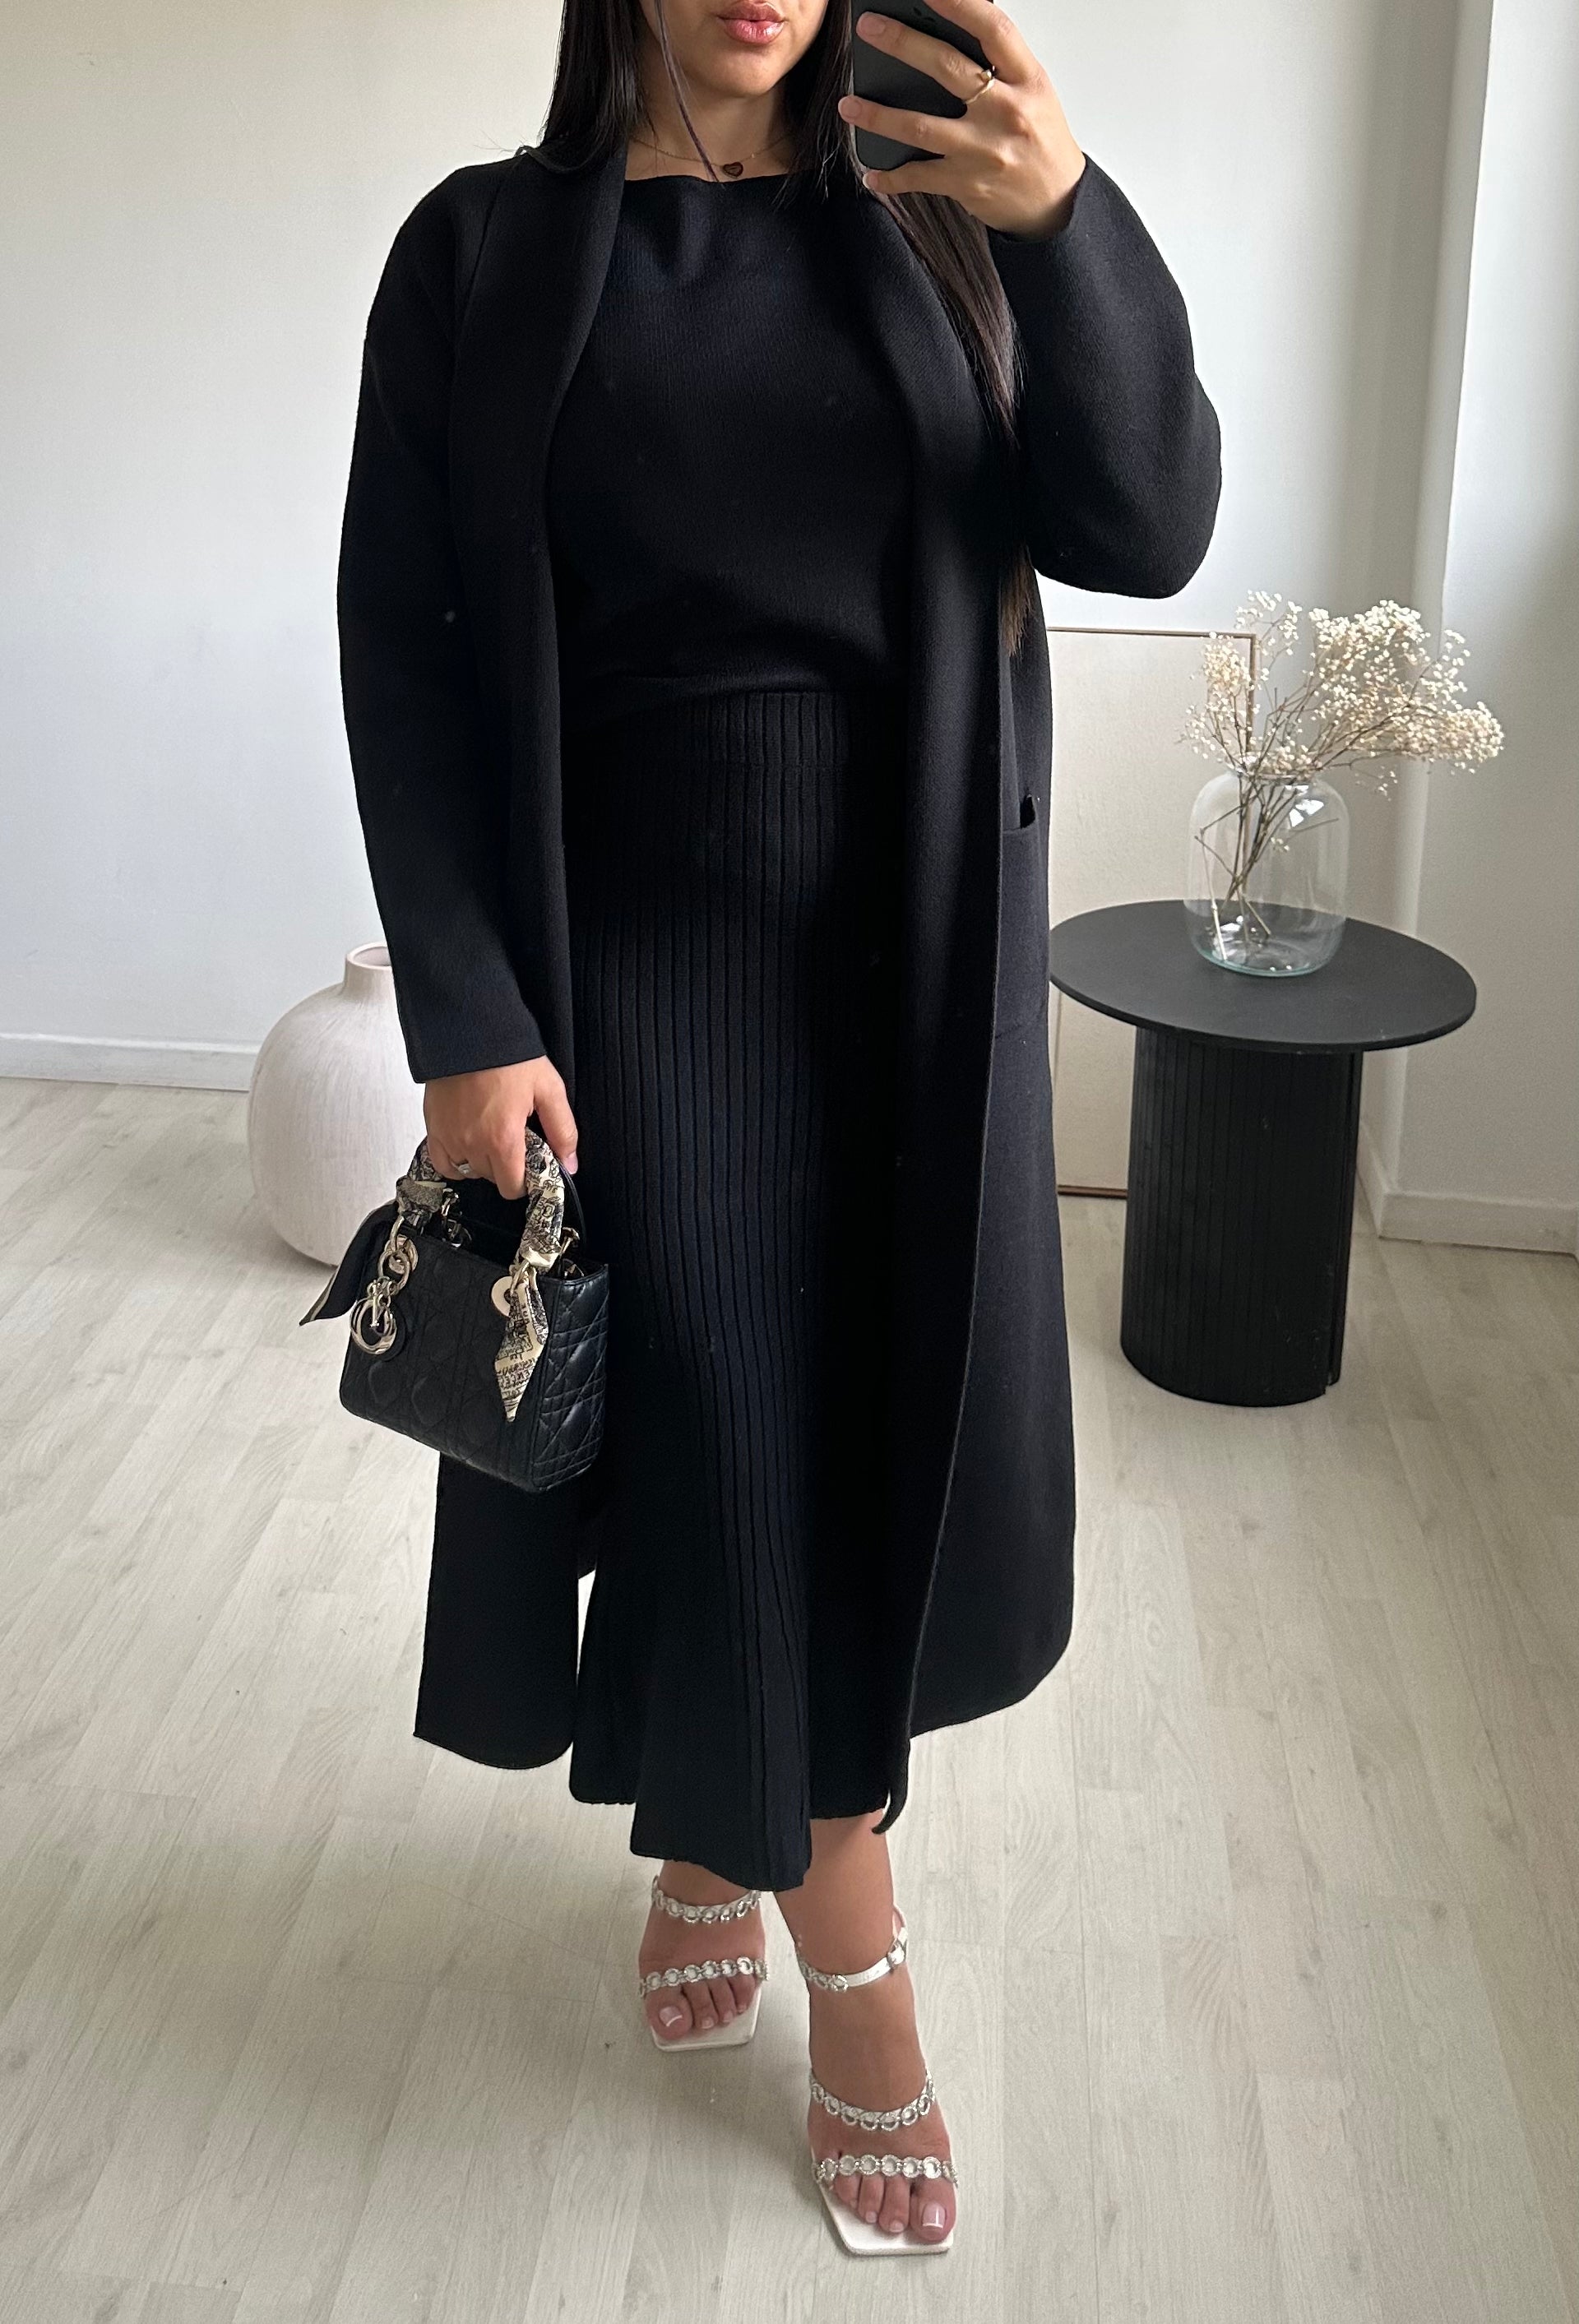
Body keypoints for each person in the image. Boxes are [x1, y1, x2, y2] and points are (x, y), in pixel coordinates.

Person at [336, 0, 1220, 2256]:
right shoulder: (482, 254)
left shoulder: (943, 221)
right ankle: (866, 1979)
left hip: (908, 963)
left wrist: (1070, 221)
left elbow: (1150, 525)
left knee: (849, 1456)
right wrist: (465, 1015)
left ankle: (718, 1832)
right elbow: (403, 646)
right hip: (627, 966)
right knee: (733, 1445)